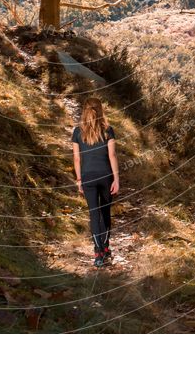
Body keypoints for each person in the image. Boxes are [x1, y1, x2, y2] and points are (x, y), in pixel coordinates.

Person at [72, 97, 120, 267]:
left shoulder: (78, 131)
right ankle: (106, 247)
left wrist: (79, 180)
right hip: (106, 176)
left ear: (84, 111)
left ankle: (98, 252)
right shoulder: (108, 130)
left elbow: (77, 159)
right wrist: (116, 178)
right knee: (105, 212)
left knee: (94, 214)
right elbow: (112, 156)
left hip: (87, 177)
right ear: (101, 110)